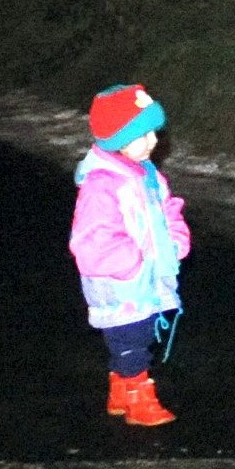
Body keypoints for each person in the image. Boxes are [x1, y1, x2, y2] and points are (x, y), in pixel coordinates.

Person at [68, 84, 191, 427]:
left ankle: (120, 392)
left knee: (137, 336)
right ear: (117, 139)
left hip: (146, 281)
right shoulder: (102, 186)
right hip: (122, 284)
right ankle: (140, 400)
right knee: (132, 343)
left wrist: (176, 237)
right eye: (142, 134)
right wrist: (132, 261)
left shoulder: (147, 175)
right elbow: (92, 240)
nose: (153, 141)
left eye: (154, 132)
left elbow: (167, 208)